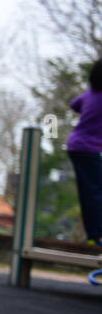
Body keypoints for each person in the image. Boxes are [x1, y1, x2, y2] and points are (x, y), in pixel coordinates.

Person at [67, 60, 102, 244]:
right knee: (95, 190)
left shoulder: (89, 94)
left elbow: (74, 105)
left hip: (76, 145)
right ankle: (97, 234)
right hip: (88, 149)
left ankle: (95, 233)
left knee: (89, 190)